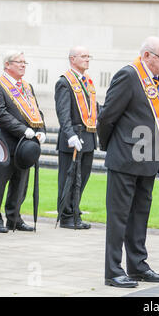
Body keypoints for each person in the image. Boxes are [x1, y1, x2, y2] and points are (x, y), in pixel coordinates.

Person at [98, 36, 159, 288]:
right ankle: (113, 270)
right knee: (118, 218)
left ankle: (138, 265)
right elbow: (107, 116)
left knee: (140, 216)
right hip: (125, 158)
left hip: (149, 158)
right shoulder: (128, 75)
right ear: (147, 55)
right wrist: (113, 146)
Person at [0, 50, 46, 233]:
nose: (23, 65)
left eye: (24, 62)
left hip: (25, 145)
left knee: (21, 183)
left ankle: (14, 218)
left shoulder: (27, 86)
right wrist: (24, 130)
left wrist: (40, 130)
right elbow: (0, 112)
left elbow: (36, 111)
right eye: (19, 62)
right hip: (6, 143)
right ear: (7, 64)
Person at [55, 46, 99, 229]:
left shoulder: (87, 81)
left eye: (89, 56)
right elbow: (63, 112)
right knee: (69, 178)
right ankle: (66, 216)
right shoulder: (64, 82)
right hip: (72, 137)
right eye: (83, 56)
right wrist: (70, 135)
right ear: (72, 59)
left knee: (83, 178)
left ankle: (75, 212)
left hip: (88, 136)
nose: (87, 59)